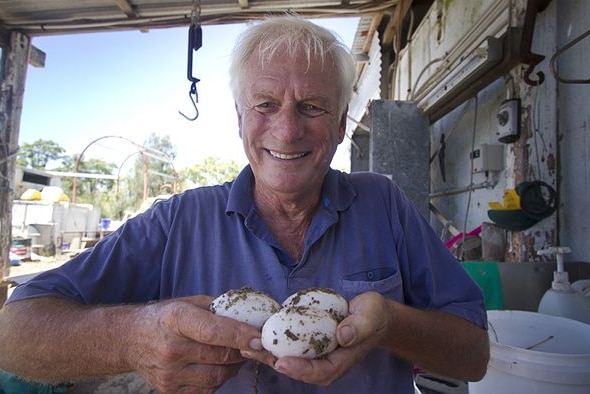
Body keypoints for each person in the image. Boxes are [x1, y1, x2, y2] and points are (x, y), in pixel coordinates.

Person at [0, 15, 489, 393]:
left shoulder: (383, 205)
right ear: (239, 118)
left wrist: (389, 323)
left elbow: (474, 355)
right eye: (265, 104)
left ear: (341, 124)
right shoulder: (179, 222)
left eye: (312, 107)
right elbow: (12, 333)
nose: (287, 129)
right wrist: (133, 336)